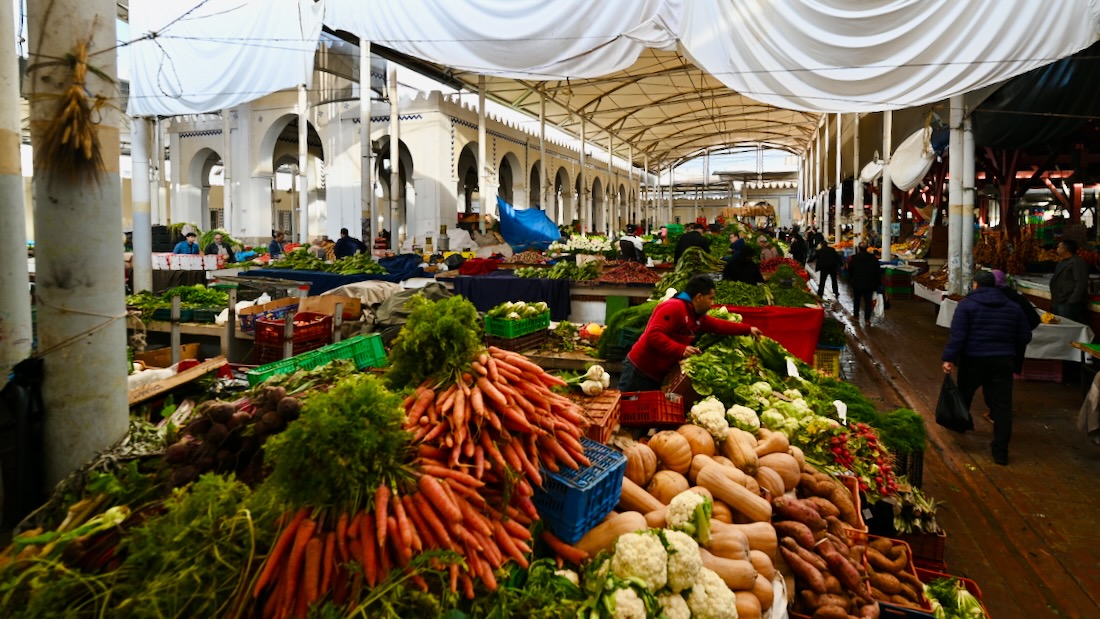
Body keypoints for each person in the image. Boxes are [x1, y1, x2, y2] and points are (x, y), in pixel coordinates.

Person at [942, 270, 1033, 465]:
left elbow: (958, 336)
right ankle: (1000, 453)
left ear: (975, 285)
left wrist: (949, 358)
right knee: (1002, 407)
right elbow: (1025, 336)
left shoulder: (966, 305)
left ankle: (960, 428)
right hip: (1002, 361)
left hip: (973, 360)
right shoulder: (1013, 307)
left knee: (964, 395)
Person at [620, 275, 762, 392]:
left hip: (657, 374)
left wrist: (747, 329)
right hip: (639, 370)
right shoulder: (674, 307)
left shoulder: (697, 315)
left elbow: (718, 325)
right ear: (699, 297)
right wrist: (681, 349)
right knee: (626, 412)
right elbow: (654, 335)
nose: (712, 303)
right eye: (711, 298)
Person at [1049, 239, 1090, 323]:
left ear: (1065, 249)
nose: (1057, 249)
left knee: (1068, 327)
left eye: (1059, 247)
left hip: (1067, 302)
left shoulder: (1077, 262)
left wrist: (1072, 301)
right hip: (1058, 300)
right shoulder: (1060, 263)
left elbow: (1081, 283)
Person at [847, 242, 881, 324]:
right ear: (867, 248)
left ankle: (856, 316)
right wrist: (877, 283)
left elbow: (850, 270)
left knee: (857, 300)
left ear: (858, 248)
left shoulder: (854, 258)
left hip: (857, 283)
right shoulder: (873, 258)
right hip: (869, 283)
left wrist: (851, 280)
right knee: (868, 302)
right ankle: (867, 320)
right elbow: (877, 271)